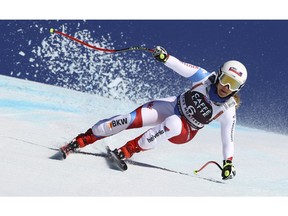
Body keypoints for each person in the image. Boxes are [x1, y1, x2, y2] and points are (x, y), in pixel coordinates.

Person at [60, 46, 247, 180]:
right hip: (172, 106)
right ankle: (83, 139)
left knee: (173, 123)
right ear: (219, 75)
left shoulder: (227, 110)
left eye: (234, 85)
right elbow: (180, 66)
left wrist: (228, 164)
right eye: (226, 80)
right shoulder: (204, 78)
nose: (227, 87)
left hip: (184, 131)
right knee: (127, 119)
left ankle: (127, 151)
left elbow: (227, 139)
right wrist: (165, 57)